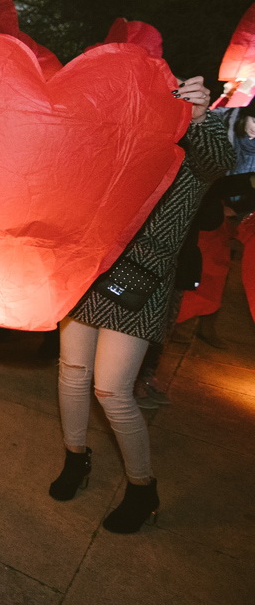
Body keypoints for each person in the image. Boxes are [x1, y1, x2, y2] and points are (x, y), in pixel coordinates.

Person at [49, 76, 233, 533]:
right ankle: (76, 458)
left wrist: (199, 115)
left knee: (112, 389)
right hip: (91, 267)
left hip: (143, 279)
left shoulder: (191, 145)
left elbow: (221, 160)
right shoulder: (118, 138)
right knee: (72, 373)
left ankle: (141, 486)